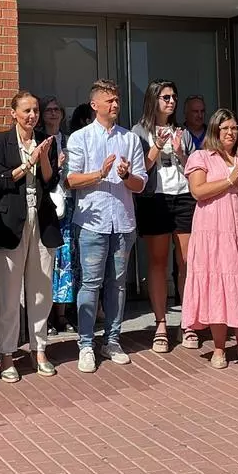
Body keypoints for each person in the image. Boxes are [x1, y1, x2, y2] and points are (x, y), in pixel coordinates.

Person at [66, 79, 147, 373]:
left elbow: (140, 184)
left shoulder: (130, 139)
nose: (115, 105)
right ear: (94, 104)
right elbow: (71, 180)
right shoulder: (80, 138)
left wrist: (125, 176)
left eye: (117, 100)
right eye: (109, 100)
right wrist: (99, 174)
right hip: (92, 222)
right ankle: (86, 344)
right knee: (90, 283)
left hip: (123, 222)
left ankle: (112, 340)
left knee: (117, 283)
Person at [183, 109, 238, 369]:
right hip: (213, 230)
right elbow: (198, 191)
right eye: (225, 128)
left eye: (234, 128)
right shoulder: (201, 156)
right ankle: (219, 347)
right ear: (215, 131)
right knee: (217, 281)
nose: (230, 133)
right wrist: (230, 179)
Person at [0, 91, 62, 381]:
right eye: (26, 110)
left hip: (42, 218)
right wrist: (28, 163)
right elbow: (0, 180)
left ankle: (39, 349)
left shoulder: (46, 140)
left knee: (41, 289)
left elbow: (51, 181)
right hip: (10, 222)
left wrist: (43, 158)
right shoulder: (0, 141)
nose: (32, 115)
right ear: (13, 113)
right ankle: (7, 353)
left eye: (35, 111)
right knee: (9, 294)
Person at [132, 80, 197, 353]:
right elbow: (140, 168)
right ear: (153, 100)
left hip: (184, 197)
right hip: (155, 199)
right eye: (165, 97)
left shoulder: (183, 131)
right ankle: (160, 324)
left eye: (173, 97)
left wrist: (181, 152)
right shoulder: (139, 131)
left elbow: (194, 168)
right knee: (158, 262)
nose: (171, 102)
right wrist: (157, 146)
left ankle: (188, 322)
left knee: (186, 262)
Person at [42, 96, 76, 335]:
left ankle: (61, 314)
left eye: (57, 109)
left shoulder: (70, 141)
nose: (53, 113)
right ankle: (44, 316)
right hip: (46, 206)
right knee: (46, 261)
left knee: (65, 260)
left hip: (68, 204)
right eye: (49, 110)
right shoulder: (37, 140)